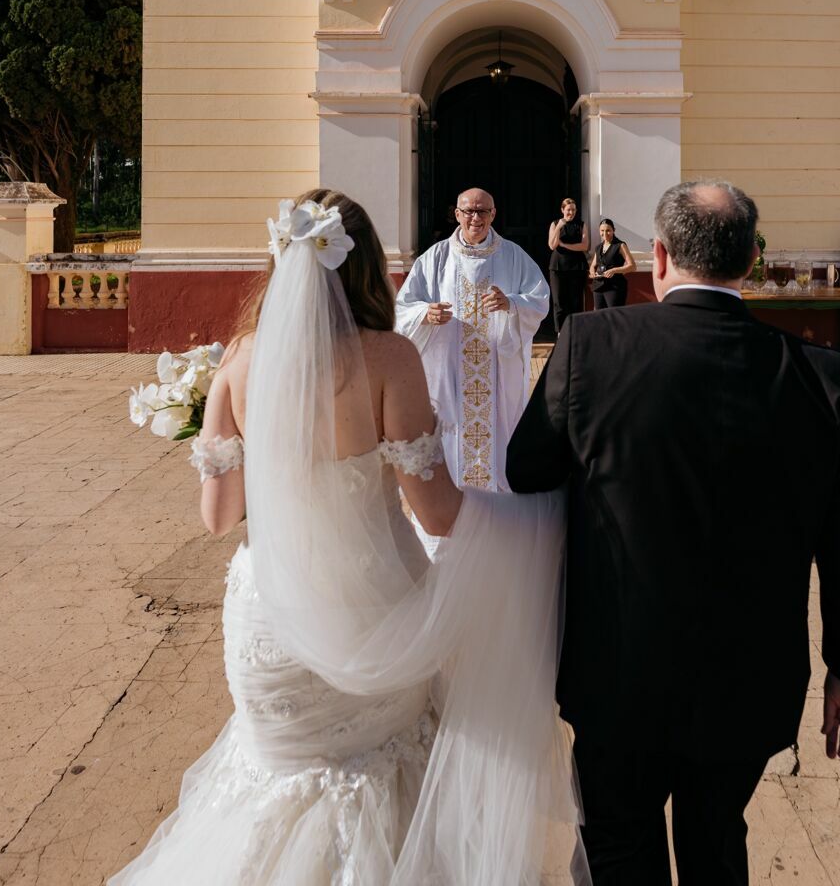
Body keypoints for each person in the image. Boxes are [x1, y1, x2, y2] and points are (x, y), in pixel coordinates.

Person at [111, 191, 579, 884]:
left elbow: (218, 516)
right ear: (365, 270)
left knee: (271, 786)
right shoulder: (389, 359)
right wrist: (534, 520)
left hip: (268, 619)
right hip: (376, 612)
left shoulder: (239, 362)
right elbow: (438, 514)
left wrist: (236, 441)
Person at [507, 180, 840, 885]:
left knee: (619, 849)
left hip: (618, 670)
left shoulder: (590, 345)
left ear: (659, 256)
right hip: (751, 676)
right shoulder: (823, 375)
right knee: (718, 839)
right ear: (750, 260)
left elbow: (525, 469)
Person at [393, 187, 550, 491]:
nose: (475, 218)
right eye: (468, 211)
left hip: (497, 368)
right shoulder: (435, 258)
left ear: (493, 214)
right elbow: (404, 307)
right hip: (449, 367)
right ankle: (449, 494)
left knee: (499, 430)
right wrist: (425, 313)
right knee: (449, 430)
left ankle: (498, 496)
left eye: (482, 211)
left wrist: (511, 303)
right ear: (457, 214)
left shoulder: (513, 256)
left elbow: (539, 298)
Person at [548, 197, 590, 335]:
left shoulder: (581, 225)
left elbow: (584, 246)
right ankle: (560, 333)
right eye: (568, 210)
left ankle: (576, 331)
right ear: (562, 210)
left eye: (573, 210)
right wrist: (559, 227)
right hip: (558, 267)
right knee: (559, 301)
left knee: (576, 301)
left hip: (577, 267)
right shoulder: (555, 224)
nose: (571, 212)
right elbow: (552, 245)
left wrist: (565, 245)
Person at [588, 216, 635, 309]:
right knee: (599, 314)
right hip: (598, 285)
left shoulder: (620, 245)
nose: (605, 233)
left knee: (614, 315)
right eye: (602, 230)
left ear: (614, 230)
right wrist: (592, 273)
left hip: (614, 286)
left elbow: (632, 266)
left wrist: (614, 270)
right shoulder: (598, 247)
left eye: (608, 230)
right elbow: (593, 265)